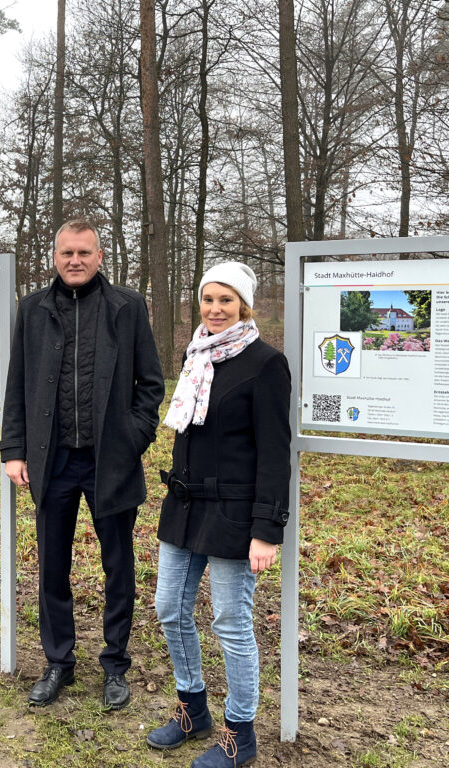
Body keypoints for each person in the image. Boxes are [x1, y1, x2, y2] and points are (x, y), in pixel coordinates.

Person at [0, 219, 165, 710]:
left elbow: (151, 384)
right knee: (52, 566)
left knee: (118, 565)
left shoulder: (127, 307)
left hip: (109, 461)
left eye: (84, 253)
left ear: (99, 256)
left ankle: (115, 664)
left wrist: (132, 439)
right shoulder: (32, 309)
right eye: (67, 253)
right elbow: (18, 384)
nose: (75, 260)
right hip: (52, 461)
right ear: (55, 257)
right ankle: (59, 662)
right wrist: (13, 449)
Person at [146, 262, 291, 767]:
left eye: (226, 300)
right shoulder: (197, 356)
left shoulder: (266, 363)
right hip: (184, 508)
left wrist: (266, 529)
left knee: (230, 622)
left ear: (244, 306)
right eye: (208, 299)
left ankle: (240, 733)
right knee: (169, 608)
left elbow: (275, 453)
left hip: (234, 514)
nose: (215, 309)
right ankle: (193, 709)